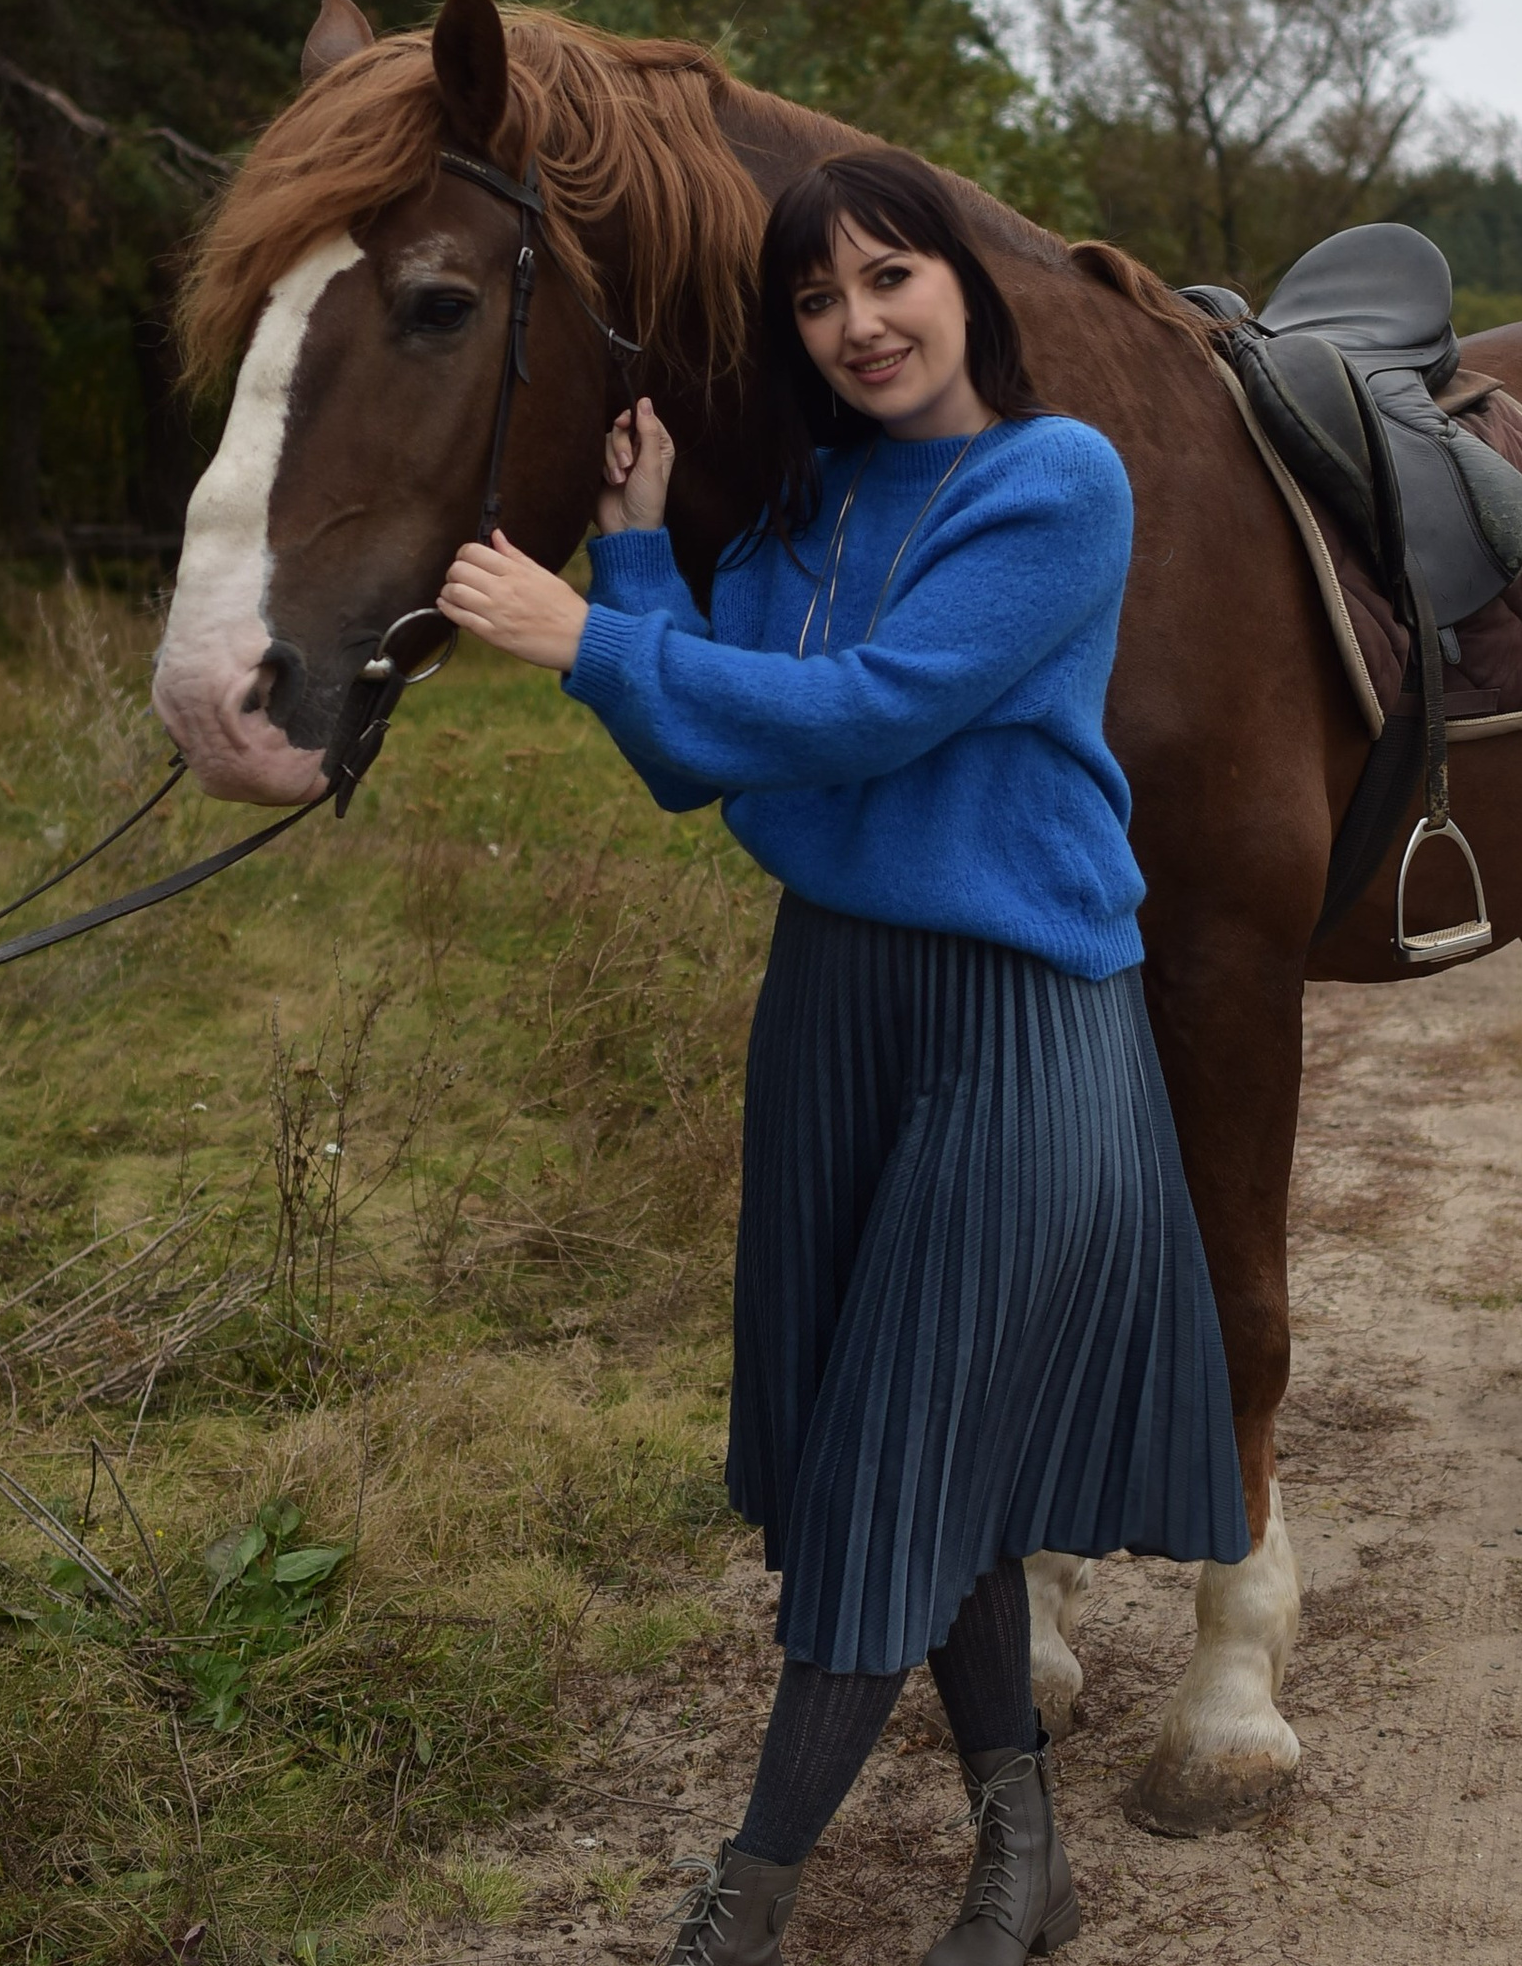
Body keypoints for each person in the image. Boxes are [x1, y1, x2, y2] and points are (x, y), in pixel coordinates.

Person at [437, 148, 1246, 1966]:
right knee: (895, 1453)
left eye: (889, 278)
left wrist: (583, 626)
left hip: (1021, 1014)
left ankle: (747, 1901)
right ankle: (1022, 1851)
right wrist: (639, 556)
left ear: (964, 284)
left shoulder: (1056, 482)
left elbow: (870, 713)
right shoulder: (804, 515)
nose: (858, 322)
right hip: (831, 1010)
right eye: (817, 299)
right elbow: (697, 751)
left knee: (903, 1444)